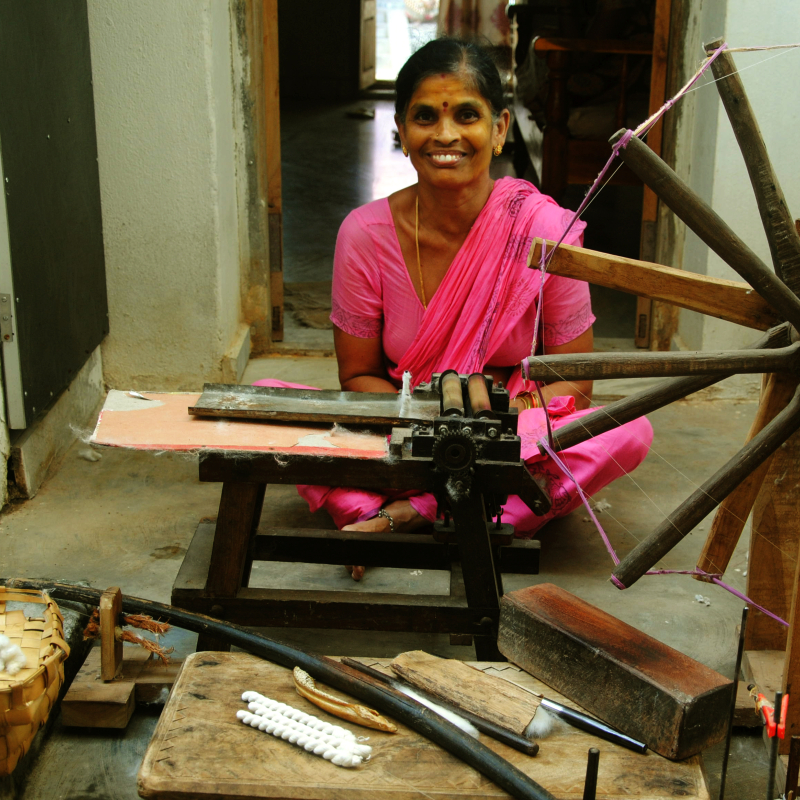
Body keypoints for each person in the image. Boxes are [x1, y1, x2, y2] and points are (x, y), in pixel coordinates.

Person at [256, 38, 653, 580]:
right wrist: (434, 422)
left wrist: (489, 423)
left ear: (499, 129)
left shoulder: (545, 230)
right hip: (406, 419)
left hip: (509, 428)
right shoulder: (365, 234)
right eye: (425, 117)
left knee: (627, 431)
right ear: (400, 129)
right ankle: (478, 511)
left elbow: (573, 383)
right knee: (268, 409)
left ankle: (401, 513)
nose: (445, 136)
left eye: (467, 115)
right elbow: (358, 375)